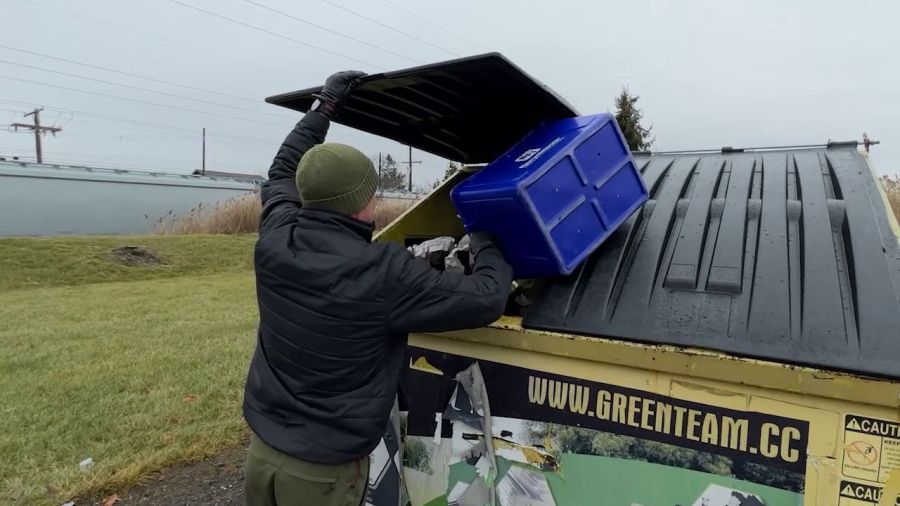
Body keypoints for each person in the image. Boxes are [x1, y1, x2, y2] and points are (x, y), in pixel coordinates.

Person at [242, 71, 513, 506]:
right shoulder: (382, 272)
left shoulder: (276, 236)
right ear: (363, 203)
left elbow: (282, 169)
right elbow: (488, 296)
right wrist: (483, 233)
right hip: (322, 476)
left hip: (262, 456)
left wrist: (325, 104)